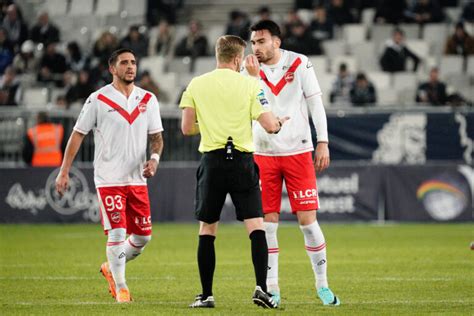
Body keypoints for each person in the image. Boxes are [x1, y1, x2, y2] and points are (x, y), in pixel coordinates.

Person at [180, 35, 287, 309]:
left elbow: (187, 128)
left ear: (217, 55)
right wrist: (278, 122)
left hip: (212, 160)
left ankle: (206, 295)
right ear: (239, 59)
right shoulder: (250, 84)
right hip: (241, 160)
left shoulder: (196, 84)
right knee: (256, 226)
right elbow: (269, 125)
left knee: (207, 229)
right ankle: (261, 288)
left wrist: (212, 125)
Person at [55, 48, 164, 303]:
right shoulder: (98, 99)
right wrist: (64, 170)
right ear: (112, 69)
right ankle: (121, 288)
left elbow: (157, 137)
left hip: (137, 179)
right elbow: (78, 134)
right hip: (108, 178)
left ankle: (109, 268)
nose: (130, 67)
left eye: (134, 62)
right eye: (124, 62)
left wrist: (155, 160)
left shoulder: (148, 99)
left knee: (143, 236)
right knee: (117, 232)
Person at [244, 20, 340, 307]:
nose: (256, 47)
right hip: (262, 153)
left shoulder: (300, 63)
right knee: (268, 226)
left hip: (298, 152)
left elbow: (315, 103)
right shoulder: (248, 69)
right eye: (253, 42)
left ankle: (322, 285)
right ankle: (272, 289)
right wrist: (250, 77)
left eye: (261, 41)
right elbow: (245, 105)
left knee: (308, 223)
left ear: (276, 41)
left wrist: (322, 141)